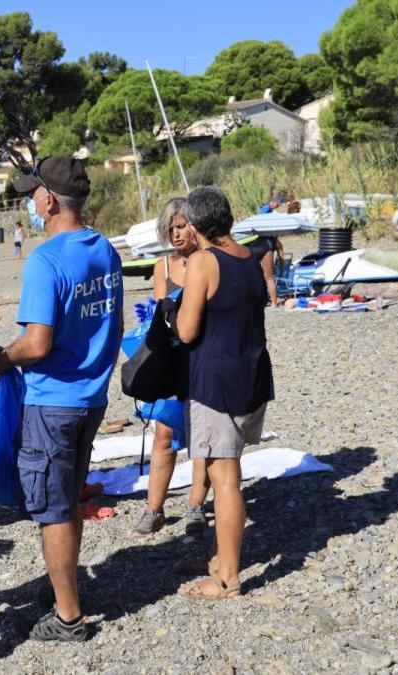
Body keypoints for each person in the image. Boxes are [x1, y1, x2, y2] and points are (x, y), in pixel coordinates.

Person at [0, 157, 122, 642]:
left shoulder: (47, 258)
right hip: (91, 397)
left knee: (53, 509)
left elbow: (37, 343)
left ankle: (68, 617)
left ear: (50, 200)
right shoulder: (104, 248)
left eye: (34, 194)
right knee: (66, 497)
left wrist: (2, 358)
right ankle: (66, 588)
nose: (31, 202)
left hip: (53, 400)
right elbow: (111, 323)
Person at [175, 187, 274, 600]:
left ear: (196, 228)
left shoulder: (202, 263)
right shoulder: (249, 258)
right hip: (252, 374)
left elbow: (186, 330)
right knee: (225, 474)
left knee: (225, 478)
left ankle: (227, 578)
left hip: (217, 383)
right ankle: (219, 555)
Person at [131, 198, 210, 537]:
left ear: (194, 226)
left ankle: (196, 506)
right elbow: (158, 319)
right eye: (171, 229)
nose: (177, 234)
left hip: (203, 359)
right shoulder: (163, 267)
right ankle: (155, 509)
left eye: (182, 227)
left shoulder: (208, 263)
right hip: (172, 362)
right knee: (163, 434)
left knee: (203, 439)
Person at [245, 235, 280, 306]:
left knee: (255, 277)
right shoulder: (274, 240)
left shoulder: (258, 230)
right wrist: (281, 267)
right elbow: (281, 256)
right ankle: (274, 303)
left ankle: (257, 301)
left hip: (253, 246)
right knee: (269, 278)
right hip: (266, 247)